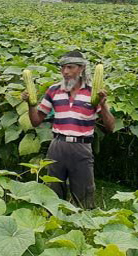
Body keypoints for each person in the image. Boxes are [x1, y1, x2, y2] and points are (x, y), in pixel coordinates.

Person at [24, 51, 115, 209]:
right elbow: (35, 121)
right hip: (57, 146)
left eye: (70, 67)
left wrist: (103, 104)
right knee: (53, 191)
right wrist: (31, 105)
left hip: (81, 147)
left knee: (84, 194)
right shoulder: (53, 91)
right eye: (63, 68)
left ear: (81, 69)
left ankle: (84, 225)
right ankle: (53, 222)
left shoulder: (93, 93)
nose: (65, 72)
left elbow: (110, 126)